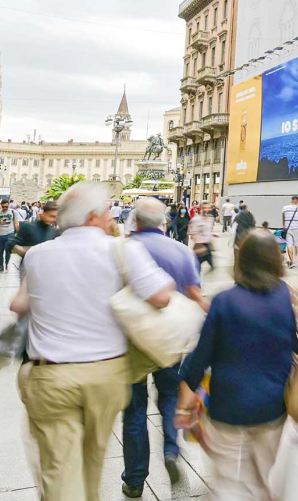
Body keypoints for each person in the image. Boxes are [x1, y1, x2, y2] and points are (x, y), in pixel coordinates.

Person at [10, 181, 175, 501]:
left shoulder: (38, 255)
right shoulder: (122, 250)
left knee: (59, 467)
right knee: (91, 460)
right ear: (92, 216)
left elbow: (18, 305)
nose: (112, 217)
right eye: (107, 212)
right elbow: (162, 297)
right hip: (105, 375)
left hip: (50, 375)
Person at [175, 230, 298, 500]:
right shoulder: (290, 298)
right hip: (273, 408)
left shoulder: (224, 301)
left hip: (227, 409)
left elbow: (201, 358)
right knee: (266, 480)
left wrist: (184, 405)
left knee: (228, 483)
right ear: (275, 260)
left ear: (241, 260)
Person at [121, 198, 209, 497]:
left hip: (132, 340)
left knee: (134, 408)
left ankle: (135, 478)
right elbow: (195, 294)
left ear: (135, 221)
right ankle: (171, 449)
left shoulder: (124, 249)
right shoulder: (182, 251)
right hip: (170, 339)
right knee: (170, 396)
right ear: (164, 222)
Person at [187, 203, 215, 272]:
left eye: (208, 208)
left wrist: (212, 235)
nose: (207, 210)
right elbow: (191, 233)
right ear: (200, 209)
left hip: (208, 245)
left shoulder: (211, 219)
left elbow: (208, 231)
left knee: (212, 265)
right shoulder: (195, 220)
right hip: (199, 245)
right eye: (205, 208)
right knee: (197, 267)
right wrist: (199, 244)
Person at [0, 201, 17, 273]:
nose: (5, 208)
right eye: (3, 207)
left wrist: (18, 233)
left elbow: (16, 223)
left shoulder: (13, 212)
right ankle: (0, 266)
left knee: (8, 251)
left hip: (10, 234)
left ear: (9, 205)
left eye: (6, 206)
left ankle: (6, 263)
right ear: (1, 206)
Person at [281, 196, 298, 268]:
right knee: (296, 244)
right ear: (297, 200)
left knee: (289, 245)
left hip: (288, 228)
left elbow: (283, 218)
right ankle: (296, 259)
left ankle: (292, 261)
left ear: (292, 200)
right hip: (297, 229)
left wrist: (284, 226)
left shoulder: (285, 208)